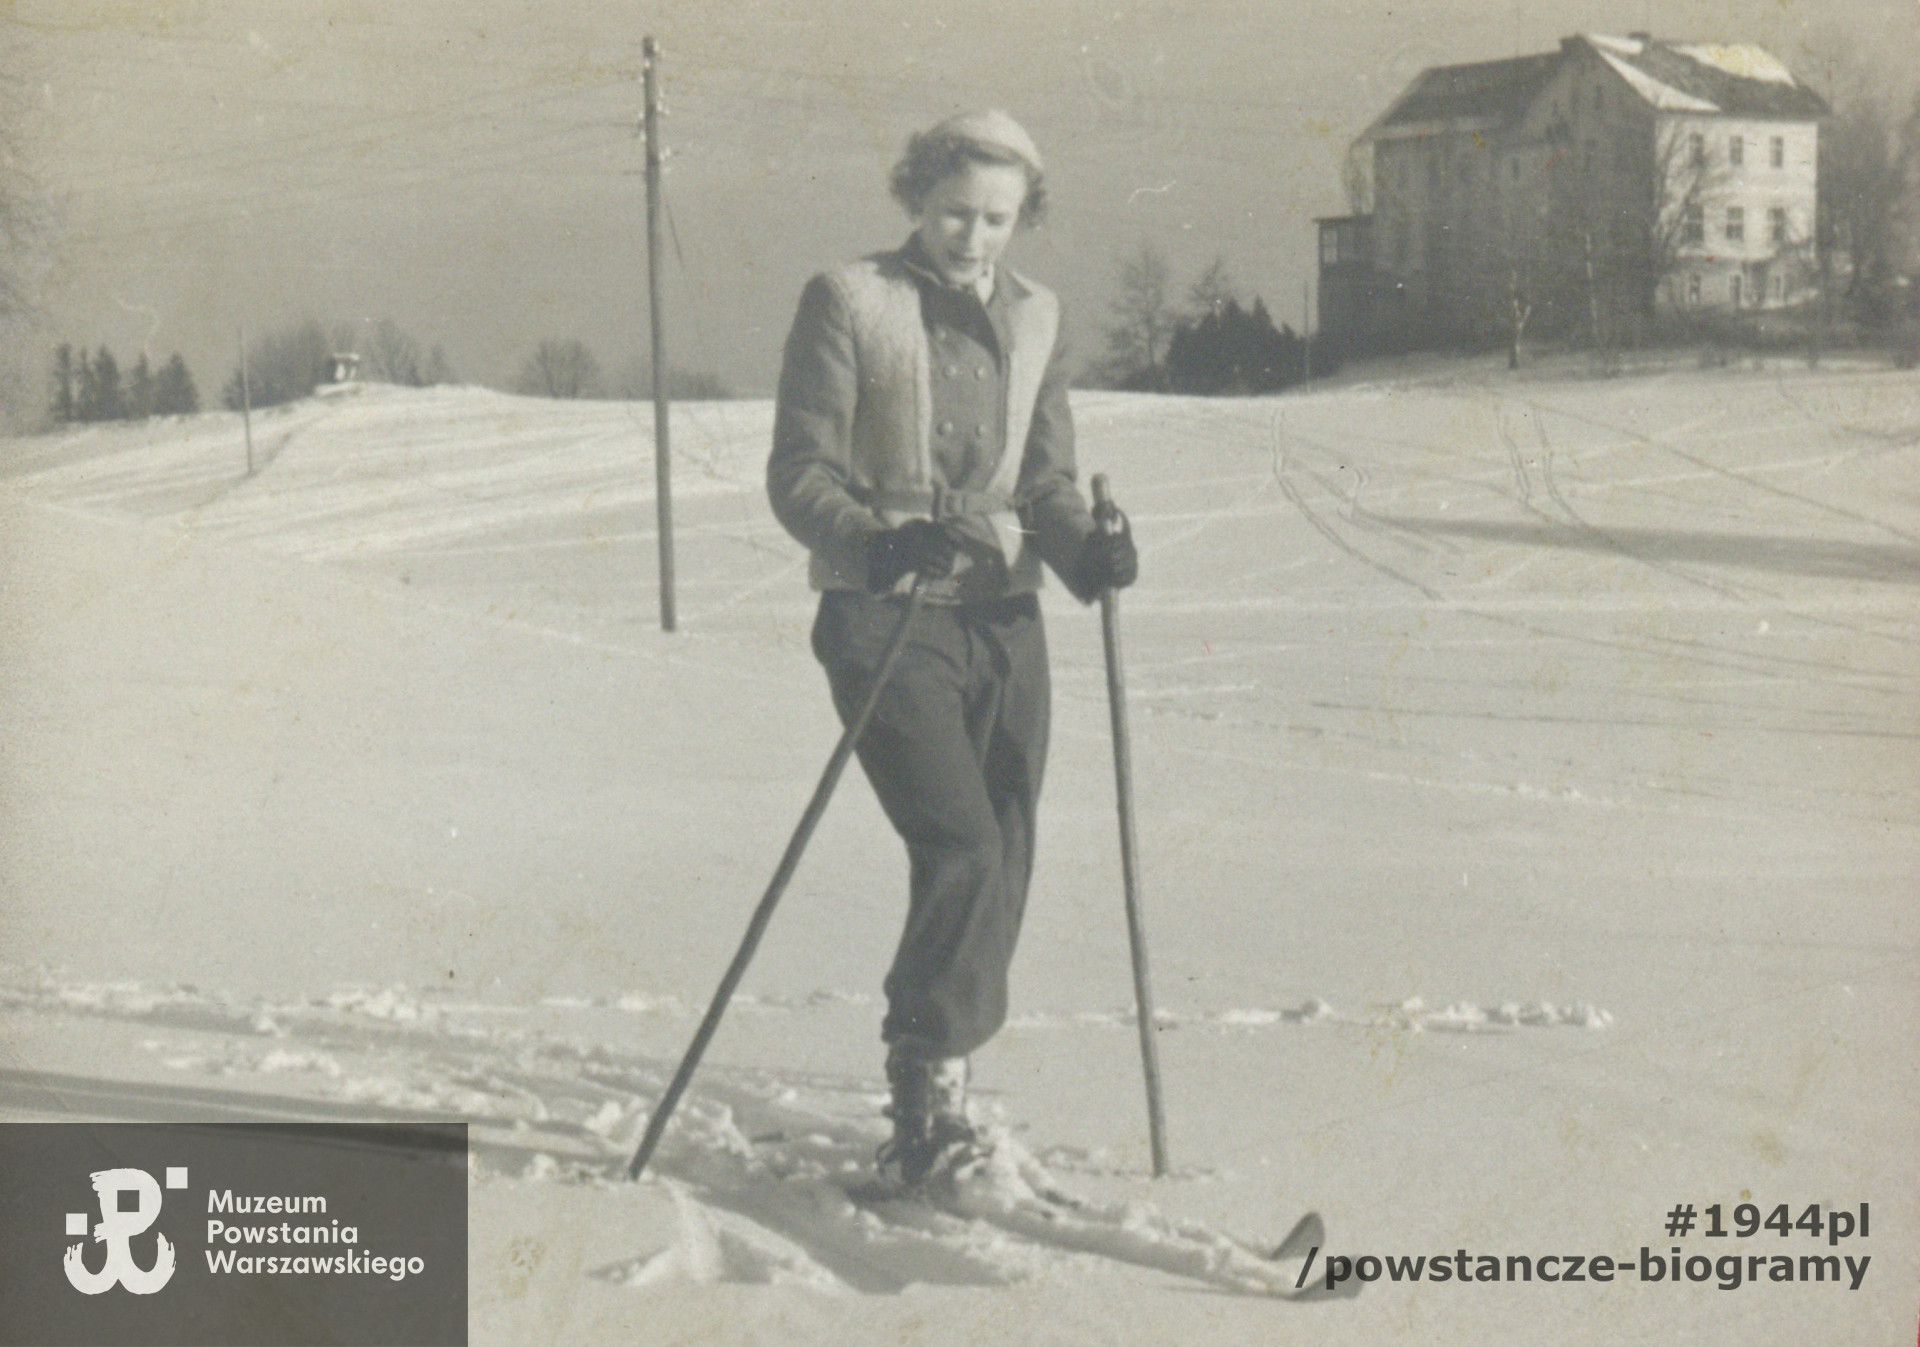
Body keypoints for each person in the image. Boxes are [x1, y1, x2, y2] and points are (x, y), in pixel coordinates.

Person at [767, 109, 1138, 1187]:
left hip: (1001, 614)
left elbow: (1046, 483)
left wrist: (1089, 550)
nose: (973, 239)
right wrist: (878, 545)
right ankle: (923, 1088)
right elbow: (800, 474)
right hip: (884, 614)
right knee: (964, 844)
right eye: (953, 213)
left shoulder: (1038, 316)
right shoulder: (849, 301)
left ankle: (952, 1080)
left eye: (997, 219)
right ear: (915, 199)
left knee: (1008, 843)